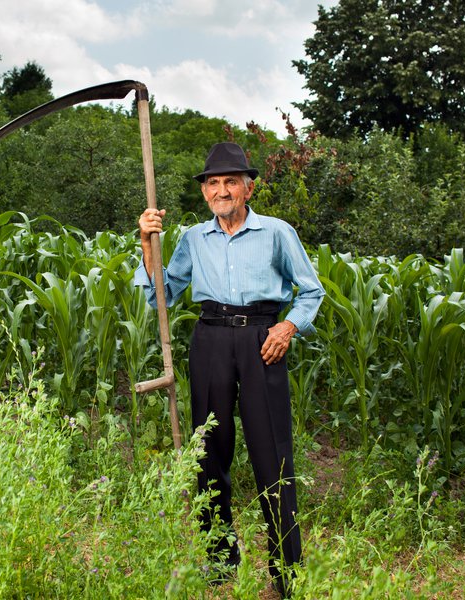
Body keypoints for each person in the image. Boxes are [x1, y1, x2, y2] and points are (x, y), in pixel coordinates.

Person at [134, 142, 324, 597]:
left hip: (263, 341)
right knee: (209, 454)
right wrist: (146, 243)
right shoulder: (193, 240)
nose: (222, 190)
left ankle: (286, 574)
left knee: (271, 455)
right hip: (211, 340)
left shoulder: (277, 232)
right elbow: (159, 293)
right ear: (205, 192)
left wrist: (287, 328)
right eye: (213, 183)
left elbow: (311, 291)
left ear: (248, 187)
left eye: (231, 182)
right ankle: (221, 564)